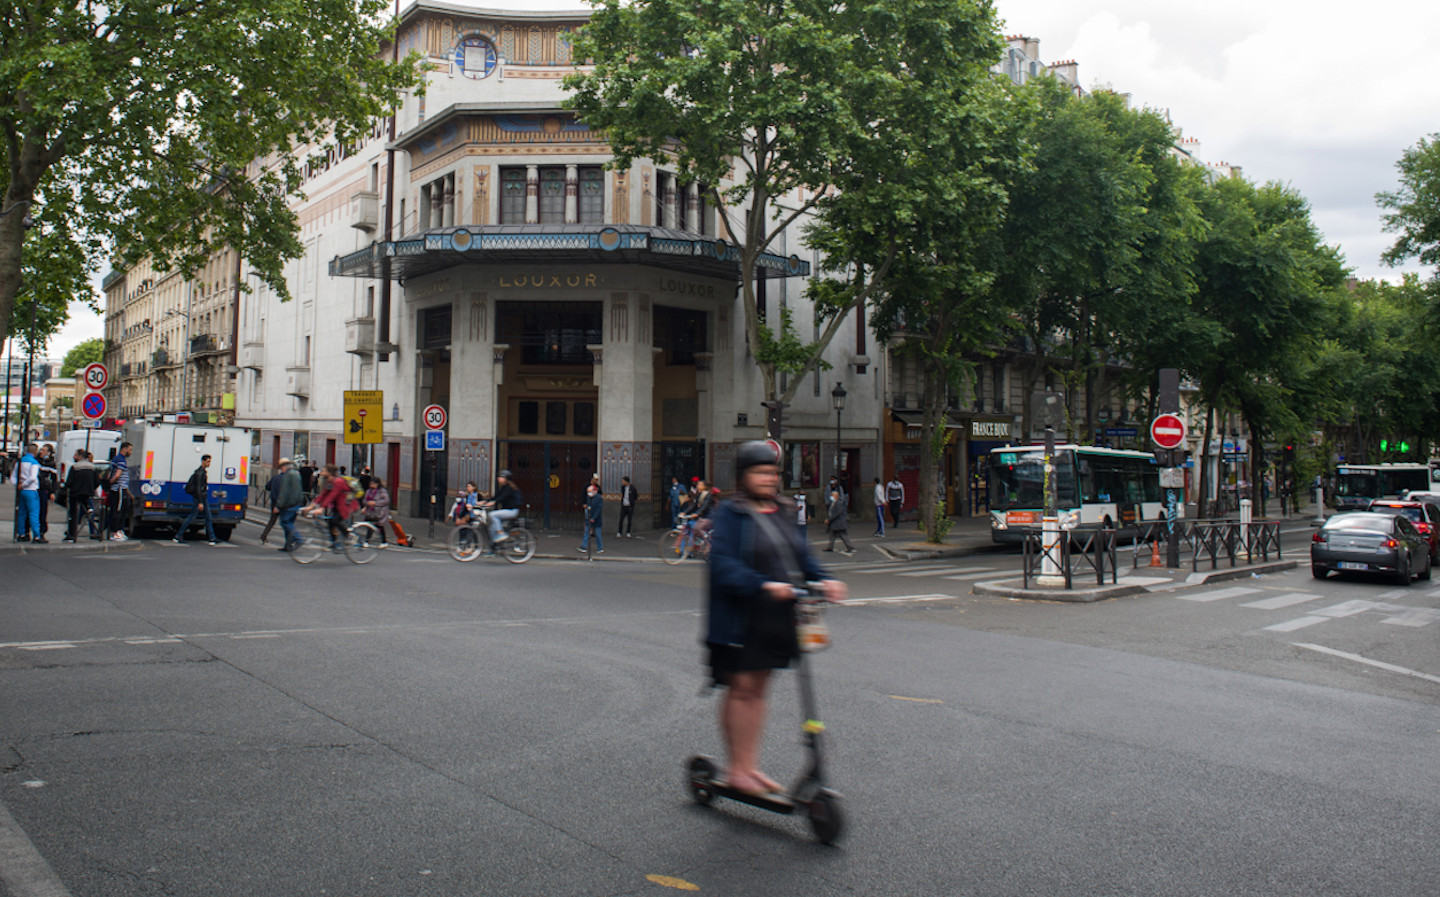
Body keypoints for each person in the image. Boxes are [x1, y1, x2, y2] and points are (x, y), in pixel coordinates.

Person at [705, 440, 846, 796]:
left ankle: (749, 766)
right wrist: (765, 585)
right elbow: (722, 566)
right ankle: (737, 769)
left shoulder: (781, 510)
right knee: (742, 690)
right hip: (741, 618)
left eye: (772, 473)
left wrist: (824, 579)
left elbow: (800, 556)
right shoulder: (730, 513)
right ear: (743, 476)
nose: (769, 479)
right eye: (760, 472)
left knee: (758, 690)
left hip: (775, 618)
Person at [174, 454, 218, 544]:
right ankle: (178, 535)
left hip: (201, 498)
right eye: (208, 461)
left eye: (210, 461)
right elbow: (198, 488)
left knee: (208, 517)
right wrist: (200, 502)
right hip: (199, 499)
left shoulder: (201, 472)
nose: (209, 463)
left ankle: (212, 538)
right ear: (203, 461)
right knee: (192, 517)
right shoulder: (200, 473)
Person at [312, 463, 358, 551]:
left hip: (345, 506)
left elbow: (332, 496)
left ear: (329, 472)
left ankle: (349, 536)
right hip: (337, 507)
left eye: (323, 471)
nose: (321, 472)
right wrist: (312, 505)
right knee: (330, 522)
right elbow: (323, 494)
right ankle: (334, 542)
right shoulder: (330, 481)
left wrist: (321, 508)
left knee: (335, 520)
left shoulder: (338, 481)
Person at [63, 449, 99, 542]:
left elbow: (69, 482)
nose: (74, 457)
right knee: (87, 511)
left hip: (75, 493)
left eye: (75, 455)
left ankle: (72, 534)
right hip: (88, 493)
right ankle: (94, 530)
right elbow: (97, 482)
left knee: (73, 514)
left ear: (79, 456)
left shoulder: (75, 467)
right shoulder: (92, 467)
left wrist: (67, 487)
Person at [12, 443, 43, 542]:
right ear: (35, 452)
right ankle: (37, 536)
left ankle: (21, 534)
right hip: (31, 489)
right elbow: (33, 477)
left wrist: (18, 485)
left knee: (22, 513)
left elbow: (13, 476)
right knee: (33, 513)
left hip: (22, 491)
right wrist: (25, 484)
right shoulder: (34, 463)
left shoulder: (20, 462)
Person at [481, 469, 522, 545]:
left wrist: (494, 502)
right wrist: (485, 501)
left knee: (492, 514)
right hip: (507, 511)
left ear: (506, 479)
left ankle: (501, 533)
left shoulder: (509, 488)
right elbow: (496, 497)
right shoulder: (504, 487)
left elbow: (502, 497)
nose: (498, 478)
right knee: (491, 529)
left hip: (512, 511)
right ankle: (494, 548)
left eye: (501, 477)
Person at [272, 458, 305, 551]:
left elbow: (284, 492)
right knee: (289, 523)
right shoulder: (296, 474)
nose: (280, 470)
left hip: (288, 504)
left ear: (284, 466)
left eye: (281, 467)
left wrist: (278, 506)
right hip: (296, 503)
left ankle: (298, 538)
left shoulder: (287, 475)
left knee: (285, 522)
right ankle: (288, 545)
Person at [108, 442, 133, 541]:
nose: (130, 452)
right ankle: (116, 532)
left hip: (119, 488)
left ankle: (118, 531)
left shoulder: (117, 459)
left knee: (120, 510)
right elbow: (117, 475)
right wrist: (111, 482)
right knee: (119, 510)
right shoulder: (121, 460)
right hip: (119, 489)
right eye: (130, 450)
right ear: (124, 449)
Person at [36, 444, 58, 537]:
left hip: (44, 489)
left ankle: (42, 531)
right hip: (35, 488)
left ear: (48, 453)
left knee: (42, 511)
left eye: (44, 450)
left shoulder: (51, 464)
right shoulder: (36, 460)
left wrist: (52, 492)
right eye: (41, 450)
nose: (41, 452)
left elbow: (54, 479)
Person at [363, 476, 391, 547]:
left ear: (377, 484)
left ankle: (383, 541)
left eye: (373, 484)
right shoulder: (368, 491)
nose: (372, 486)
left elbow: (386, 500)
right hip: (371, 512)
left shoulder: (382, 491)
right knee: (370, 525)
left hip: (380, 511)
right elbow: (364, 500)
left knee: (379, 526)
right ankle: (368, 540)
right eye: (371, 484)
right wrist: (367, 504)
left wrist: (375, 503)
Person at [824, 488, 853, 554]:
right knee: (832, 535)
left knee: (842, 535)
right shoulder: (833, 503)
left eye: (832, 495)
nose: (830, 496)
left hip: (839, 523)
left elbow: (836, 514)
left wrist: (829, 519)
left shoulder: (838, 503)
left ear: (836, 496)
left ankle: (849, 546)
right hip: (835, 523)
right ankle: (830, 547)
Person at [579, 482, 604, 553]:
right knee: (586, 532)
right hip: (589, 518)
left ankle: (600, 547)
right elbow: (588, 507)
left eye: (590, 491)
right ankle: (584, 546)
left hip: (596, 519)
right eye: (588, 492)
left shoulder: (599, 499)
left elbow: (599, 509)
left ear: (595, 491)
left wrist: (594, 518)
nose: (589, 493)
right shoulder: (589, 497)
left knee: (598, 534)